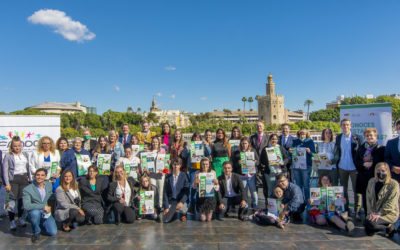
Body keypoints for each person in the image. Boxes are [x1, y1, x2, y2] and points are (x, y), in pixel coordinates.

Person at [332, 119, 363, 213]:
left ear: (351, 126)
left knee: (356, 190)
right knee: (343, 190)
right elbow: (337, 152)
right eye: (344, 125)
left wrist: (360, 166)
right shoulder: (338, 137)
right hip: (342, 167)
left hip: (354, 168)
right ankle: (346, 208)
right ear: (341, 126)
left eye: (347, 125)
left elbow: (361, 153)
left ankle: (357, 210)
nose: (346, 126)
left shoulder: (358, 138)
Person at [2, 136, 31, 230]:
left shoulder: (25, 154)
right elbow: (4, 170)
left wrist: (29, 178)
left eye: (19, 145)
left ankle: (21, 219)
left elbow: (28, 167)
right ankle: (12, 221)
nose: (17, 147)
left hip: (23, 179)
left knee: (22, 201)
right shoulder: (8, 155)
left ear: (21, 145)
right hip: (13, 180)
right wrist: (7, 183)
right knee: (11, 202)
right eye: (15, 146)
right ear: (12, 146)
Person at [355, 128, 385, 218]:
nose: (369, 137)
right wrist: (363, 163)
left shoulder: (381, 148)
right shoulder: (361, 148)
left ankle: (375, 216)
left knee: (376, 196)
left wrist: (373, 164)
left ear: (375, 136)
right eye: (367, 135)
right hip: (363, 176)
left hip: (375, 176)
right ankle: (367, 215)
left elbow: (382, 163)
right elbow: (356, 161)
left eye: (371, 135)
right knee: (365, 197)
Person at [365, 162, 399, 237]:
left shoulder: (394, 184)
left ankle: (390, 226)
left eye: (383, 171)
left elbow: (391, 203)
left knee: (372, 224)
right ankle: (383, 226)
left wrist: (379, 214)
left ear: (387, 171)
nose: (380, 172)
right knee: (367, 224)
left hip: (388, 213)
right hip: (375, 212)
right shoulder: (371, 181)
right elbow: (368, 199)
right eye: (378, 170)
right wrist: (370, 213)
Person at [23, 168, 57, 243]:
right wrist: (42, 207)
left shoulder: (49, 185)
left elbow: (51, 197)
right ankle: (36, 232)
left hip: (45, 213)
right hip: (34, 211)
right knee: (35, 213)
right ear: (35, 176)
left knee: (53, 232)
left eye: (42, 175)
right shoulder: (27, 189)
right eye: (38, 175)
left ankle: (39, 224)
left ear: (45, 177)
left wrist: (50, 208)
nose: (39, 177)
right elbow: (27, 205)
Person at [181, 132, 212, 213]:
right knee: (192, 188)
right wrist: (186, 147)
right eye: (195, 137)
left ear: (200, 139)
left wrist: (206, 145)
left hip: (202, 169)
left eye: (198, 137)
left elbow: (209, 153)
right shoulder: (190, 145)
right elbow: (183, 155)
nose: (196, 139)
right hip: (192, 169)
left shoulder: (203, 144)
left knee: (203, 187)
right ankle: (191, 205)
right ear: (192, 138)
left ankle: (202, 205)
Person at [232, 137, 259, 210]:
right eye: (243, 143)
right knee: (244, 192)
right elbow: (234, 164)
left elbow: (258, 161)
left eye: (246, 143)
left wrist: (255, 162)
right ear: (240, 144)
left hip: (251, 175)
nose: (244, 145)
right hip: (242, 175)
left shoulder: (253, 151)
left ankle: (255, 205)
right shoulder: (237, 153)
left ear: (248, 144)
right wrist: (238, 163)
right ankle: (245, 206)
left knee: (254, 192)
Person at [259, 134, 288, 199]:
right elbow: (261, 160)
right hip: (270, 172)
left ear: (277, 140)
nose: (274, 140)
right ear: (269, 140)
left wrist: (283, 163)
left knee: (282, 190)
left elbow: (286, 158)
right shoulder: (266, 149)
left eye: (275, 139)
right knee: (271, 190)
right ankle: (271, 207)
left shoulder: (280, 148)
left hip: (280, 172)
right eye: (272, 139)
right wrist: (267, 162)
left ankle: (281, 207)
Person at [290, 129, 316, 201]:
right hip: (296, 166)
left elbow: (314, 154)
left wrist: (309, 151)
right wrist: (290, 151)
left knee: (306, 185)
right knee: (298, 185)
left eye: (304, 134)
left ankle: (307, 200)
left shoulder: (310, 142)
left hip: (306, 166)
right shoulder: (295, 142)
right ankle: (300, 200)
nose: (302, 136)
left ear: (306, 135)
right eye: (301, 134)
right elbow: (291, 154)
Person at [384, 120, 400, 231]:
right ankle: (394, 222)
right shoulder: (391, 142)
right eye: (399, 128)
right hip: (394, 176)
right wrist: (393, 167)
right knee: (395, 200)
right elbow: (386, 158)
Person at [163, 158, 190, 223]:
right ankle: (173, 212)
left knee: (183, 209)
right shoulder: (168, 177)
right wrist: (166, 207)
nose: (176, 166)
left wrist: (182, 202)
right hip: (171, 201)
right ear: (172, 165)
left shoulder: (184, 175)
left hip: (180, 200)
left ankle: (183, 214)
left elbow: (187, 191)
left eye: (177, 165)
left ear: (180, 165)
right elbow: (165, 193)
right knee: (165, 220)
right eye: (174, 164)